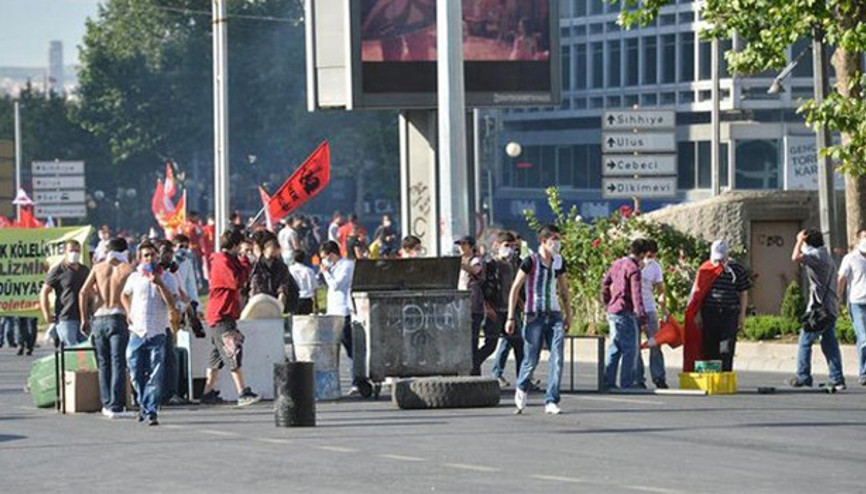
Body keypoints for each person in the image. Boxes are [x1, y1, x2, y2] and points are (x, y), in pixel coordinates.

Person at [505, 225, 573, 415]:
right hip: (534, 315)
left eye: (559, 239)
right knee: (531, 359)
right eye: (554, 239)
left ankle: (551, 399)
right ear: (543, 241)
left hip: (554, 315)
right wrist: (511, 317)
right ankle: (522, 387)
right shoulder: (530, 261)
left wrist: (569, 314)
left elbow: (564, 290)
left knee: (557, 358)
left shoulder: (559, 262)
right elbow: (515, 288)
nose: (557, 243)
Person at [121, 241, 180, 426]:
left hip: (157, 331)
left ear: (157, 257)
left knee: (155, 373)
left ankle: (152, 410)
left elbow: (172, 304)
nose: (149, 258)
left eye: (152, 255)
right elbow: (124, 294)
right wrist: (128, 311)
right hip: (137, 330)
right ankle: (142, 402)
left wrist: (160, 283)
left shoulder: (168, 278)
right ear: (140, 257)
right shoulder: (135, 277)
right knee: (135, 371)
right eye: (145, 255)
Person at [201, 230, 262, 406]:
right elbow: (236, 281)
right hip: (221, 314)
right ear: (234, 245)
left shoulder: (228, 260)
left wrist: (244, 258)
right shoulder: (222, 261)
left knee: (216, 357)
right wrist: (243, 260)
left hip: (223, 313)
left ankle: (208, 392)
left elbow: (242, 276)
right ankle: (242, 392)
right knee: (232, 351)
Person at [79, 237, 135, 418]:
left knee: (103, 363)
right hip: (117, 317)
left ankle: (107, 404)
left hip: (98, 318)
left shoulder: (98, 268)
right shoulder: (127, 269)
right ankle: (116, 406)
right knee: (118, 362)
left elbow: (83, 292)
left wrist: (83, 319)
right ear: (124, 251)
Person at [789, 229, 845, 389]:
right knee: (829, 343)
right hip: (830, 307)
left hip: (821, 308)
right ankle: (837, 378)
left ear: (808, 243)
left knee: (805, 341)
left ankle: (803, 375)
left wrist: (798, 240)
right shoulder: (825, 254)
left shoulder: (816, 256)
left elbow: (795, 257)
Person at [694, 240, 751, 372]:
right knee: (709, 346)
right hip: (709, 312)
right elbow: (698, 293)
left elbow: (743, 292)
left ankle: (725, 374)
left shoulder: (736, 269)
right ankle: (711, 375)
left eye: (722, 259)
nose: (719, 262)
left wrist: (742, 315)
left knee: (726, 347)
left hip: (728, 313)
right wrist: (698, 313)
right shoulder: (705, 269)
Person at [602, 239, 649, 390]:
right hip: (625, 311)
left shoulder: (617, 264)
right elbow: (636, 294)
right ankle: (626, 383)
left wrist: (607, 300)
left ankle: (608, 382)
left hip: (613, 310)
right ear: (642, 254)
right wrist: (641, 316)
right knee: (630, 349)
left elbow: (605, 283)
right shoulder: (634, 269)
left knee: (615, 347)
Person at [319, 241, 362, 393]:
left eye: (325, 257)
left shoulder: (347, 266)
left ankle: (356, 380)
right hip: (332, 312)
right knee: (332, 350)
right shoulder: (333, 267)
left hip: (344, 312)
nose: (324, 261)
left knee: (350, 349)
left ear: (332, 254)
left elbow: (336, 285)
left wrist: (325, 272)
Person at [488, 231, 524, 387]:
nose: (510, 249)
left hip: (510, 311)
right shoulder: (491, 265)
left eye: (513, 246)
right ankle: (482, 371)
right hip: (496, 310)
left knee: (518, 345)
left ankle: (523, 379)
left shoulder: (514, 264)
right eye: (506, 245)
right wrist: (488, 307)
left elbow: (515, 288)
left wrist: (521, 303)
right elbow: (486, 288)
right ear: (497, 246)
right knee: (492, 345)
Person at [40, 239, 90, 347]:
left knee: (86, 348)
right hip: (66, 317)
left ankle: (83, 365)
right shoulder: (58, 270)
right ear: (65, 252)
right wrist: (46, 314)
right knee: (72, 348)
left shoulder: (85, 270)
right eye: (71, 251)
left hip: (84, 317)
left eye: (77, 251)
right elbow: (44, 292)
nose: (74, 254)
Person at [635, 239, 668, 389]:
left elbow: (661, 290)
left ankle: (659, 377)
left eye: (653, 255)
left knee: (655, 344)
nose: (650, 258)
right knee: (635, 346)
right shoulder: (633, 264)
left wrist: (663, 310)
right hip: (634, 310)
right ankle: (638, 379)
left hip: (649, 309)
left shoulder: (655, 267)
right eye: (649, 255)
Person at [456, 236, 490, 375]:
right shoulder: (461, 261)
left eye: (464, 244)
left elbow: (476, 270)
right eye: (459, 244)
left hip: (474, 307)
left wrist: (459, 264)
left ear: (470, 246)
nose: (461, 247)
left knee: (472, 340)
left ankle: (474, 371)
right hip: (459, 306)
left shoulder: (476, 260)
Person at [838, 230, 866, 385]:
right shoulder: (850, 259)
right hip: (857, 303)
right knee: (864, 338)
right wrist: (837, 299)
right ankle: (864, 373)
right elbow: (841, 278)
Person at [249, 237, 300, 314]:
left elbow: (283, 287)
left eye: (276, 250)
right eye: (272, 250)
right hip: (256, 302)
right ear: (264, 250)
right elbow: (250, 285)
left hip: (273, 302)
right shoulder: (255, 266)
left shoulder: (282, 267)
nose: (274, 253)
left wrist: (279, 308)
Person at [290, 250, 318, 315]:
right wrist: (316, 303)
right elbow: (315, 288)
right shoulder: (309, 271)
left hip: (294, 299)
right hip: (307, 299)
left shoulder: (290, 270)